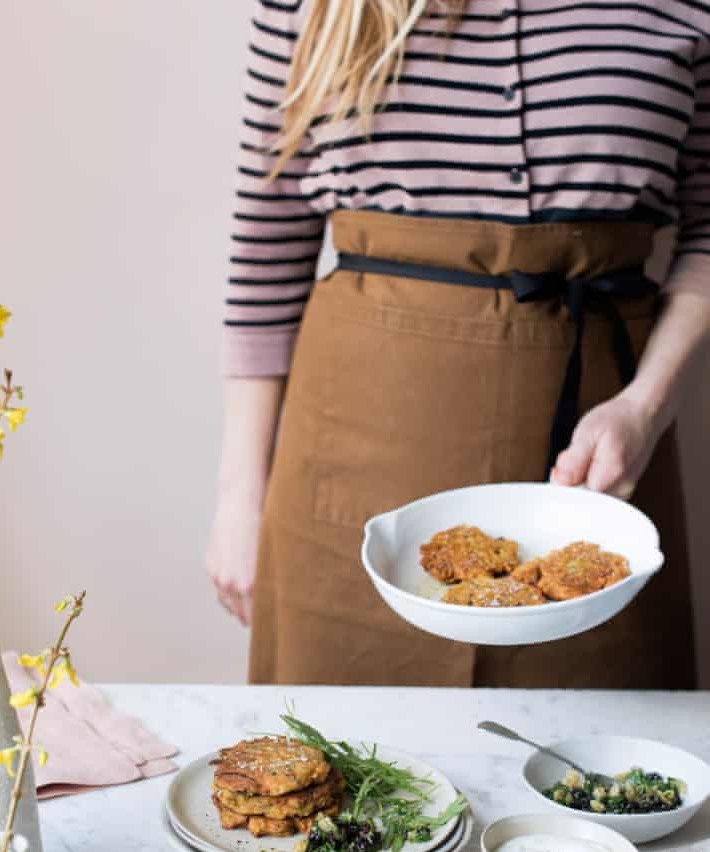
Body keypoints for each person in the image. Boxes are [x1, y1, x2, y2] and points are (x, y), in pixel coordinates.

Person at [207, 0, 710, 688]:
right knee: (344, 767)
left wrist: (646, 409)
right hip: (351, 442)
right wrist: (240, 498)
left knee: (599, 768)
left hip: (597, 458)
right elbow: (268, 241)